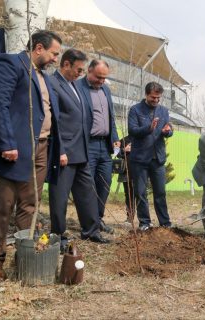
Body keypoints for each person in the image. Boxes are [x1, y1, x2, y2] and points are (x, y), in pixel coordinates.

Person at [0, 30, 62, 281]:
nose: (56, 59)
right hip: (16, 149)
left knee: (29, 205)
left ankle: (23, 255)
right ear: (38, 48)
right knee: (4, 204)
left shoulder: (43, 77)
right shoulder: (11, 63)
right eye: (54, 54)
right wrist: (6, 143)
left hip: (41, 148)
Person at [48, 49, 109, 249]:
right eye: (78, 69)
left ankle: (91, 230)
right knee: (60, 197)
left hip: (82, 150)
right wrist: (60, 150)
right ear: (66, 64)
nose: (80, 74)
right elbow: (54, 121)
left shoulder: (74, 85)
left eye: (83, 71)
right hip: (65, 152)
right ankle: (58, 236)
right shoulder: (53, 84)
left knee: (87, 193)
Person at [77, 60, 120, 234]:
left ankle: (98, 219)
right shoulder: (78, 87)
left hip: (105, 146)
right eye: (98, 77)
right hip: (88, 144)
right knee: (88, 186)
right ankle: (88, 224)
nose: (102, 81)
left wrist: (115, 138)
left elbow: (111, 118)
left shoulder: (106, 90)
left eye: (104, 78)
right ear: (89, 71)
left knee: (104, 183)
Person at [128, 82, 173, 230]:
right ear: (146, 95)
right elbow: (133, 130)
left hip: (157, 159)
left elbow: (169, 129)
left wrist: (168, 131)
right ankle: (145, 223)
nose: (156, 100)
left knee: (160, 193)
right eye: (153, 97)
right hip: (139, 160)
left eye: (158, 98)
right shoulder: (135, 110)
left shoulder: (164, 111)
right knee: (141, 193)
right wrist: (149, 128)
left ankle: (165, 223)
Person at [117, 135, 134, 223]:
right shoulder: (124, 140)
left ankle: (145, 220)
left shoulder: (143, 138)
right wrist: (124, 150)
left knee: (141, 195)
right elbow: (116, 152)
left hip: (139, 172)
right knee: (128, 195)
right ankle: (130, 218)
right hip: (126, 172)